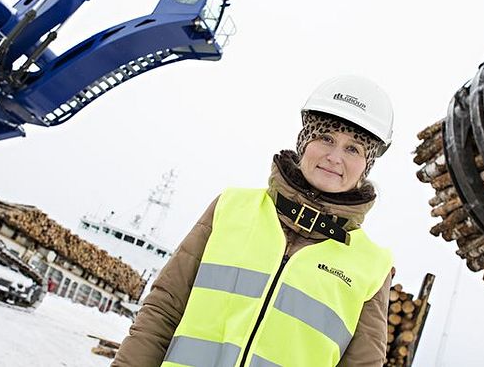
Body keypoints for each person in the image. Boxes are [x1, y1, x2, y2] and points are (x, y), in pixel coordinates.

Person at [112, 75, 395, 367]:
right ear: (304, 141)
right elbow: (163, 311)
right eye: (326, 138)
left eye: (353, 149)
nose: (335, 157)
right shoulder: (230, 208)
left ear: (366, 165)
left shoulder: (372, 266)